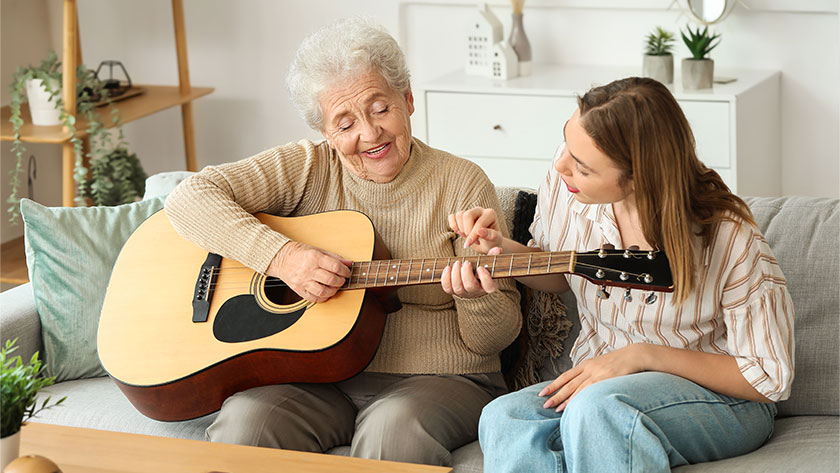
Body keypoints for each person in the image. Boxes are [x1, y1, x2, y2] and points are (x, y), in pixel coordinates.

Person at [164, 17, 521, 466]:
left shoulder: (461, 181)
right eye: (345, 122)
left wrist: (476, 299)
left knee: (393, 429)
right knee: (244, 423)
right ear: (326, 135)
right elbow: (187, 198)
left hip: (442, 380)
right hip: (317, 376)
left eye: (380, 108)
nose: (369, 135)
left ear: (408, 101)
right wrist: (282, 257)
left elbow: (497, 339)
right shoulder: (308, 168)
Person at [445, 77, 794, 472]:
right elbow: (561, 275)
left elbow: (767, 378)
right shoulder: (570, 191)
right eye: (566, 146)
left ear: (636, 178)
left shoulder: (728, 235)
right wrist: (499, 248)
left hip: (723, 400)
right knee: (504, 418)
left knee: (597, 411)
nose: (561, 166)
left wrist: (642, 356)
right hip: (601, 385)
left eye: (582, 167)